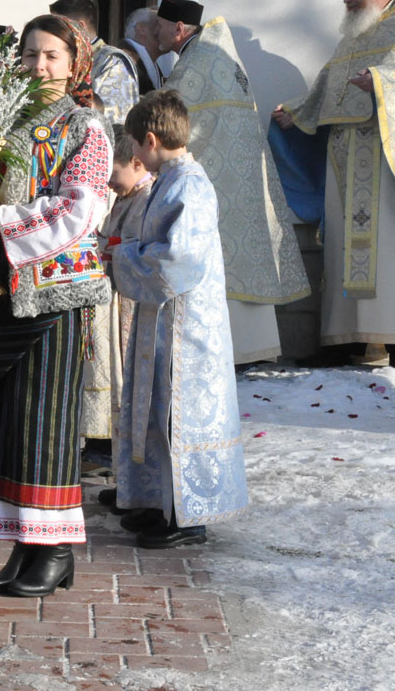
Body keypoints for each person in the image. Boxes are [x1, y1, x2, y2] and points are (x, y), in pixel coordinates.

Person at [0, 14, 112, 597]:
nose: (38, 67)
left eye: (51, 57)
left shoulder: (85, 126)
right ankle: (25, 543)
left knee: (45, 421)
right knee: (6, 423)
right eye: (29, 55)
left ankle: (55, 549)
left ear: (75, 65)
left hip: (55, 295)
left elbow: (80, 213)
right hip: (0, 290)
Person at [110, 90, 249, 548]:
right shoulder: (171, 178)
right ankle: (159, 502)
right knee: (157, 409)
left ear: (150, 140)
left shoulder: (188, 184)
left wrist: (121, 256)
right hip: (164, 317)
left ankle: (187, 517)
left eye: (133, 144)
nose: (131, 154)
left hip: (187, 327)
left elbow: (177, 260)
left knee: (177, 414)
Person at [156, 0, 309, 363]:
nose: (155, 34)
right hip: (242, 185)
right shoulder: (220, 56)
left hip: (218, 184)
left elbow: (164, 117)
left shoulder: (196, 62)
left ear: (178, 29)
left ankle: (237, 351)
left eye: (159, 28)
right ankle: (256, 349)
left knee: (226, 262)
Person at [271, 0, 395, 365]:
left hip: (379, 157)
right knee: (341, 247)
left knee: (380, 250)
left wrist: (378, 81)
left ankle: (385, 340)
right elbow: (328, 83)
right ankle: (344, 341)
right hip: (342, 154)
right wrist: (298, 112)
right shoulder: (352, 36)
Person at [93, 128, 154, 515]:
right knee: (122, 400)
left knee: (137, 399)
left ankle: (140, 488)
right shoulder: (125, 196)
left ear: (136, 161)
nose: (109, 184)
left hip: (134, 310)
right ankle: (125, 482)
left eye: (112, 173)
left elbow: (142, 248)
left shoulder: (149, 198)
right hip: (116, 304)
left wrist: (112, 251)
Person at [50, 0, 139, 124]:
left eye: (59, 28)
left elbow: (112, 117)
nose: (52, 34)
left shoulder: (112, 62)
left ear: (80, 27)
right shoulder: (63, 59)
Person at [122, 7, 161, 94]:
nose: (163, 30)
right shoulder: (122, 60)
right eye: (159, 24)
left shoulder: (152, 62)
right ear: (141, 29)